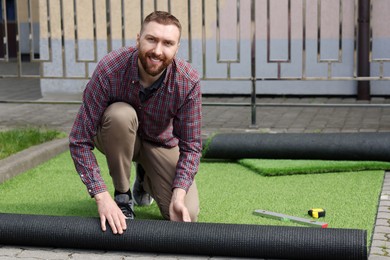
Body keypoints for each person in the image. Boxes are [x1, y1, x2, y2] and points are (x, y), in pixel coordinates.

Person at [69, 11, 202, 235]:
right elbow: (79, 140)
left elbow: (191, 146)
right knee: (120, 114)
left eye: (167, 43)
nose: (157, 51)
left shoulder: (187, 81)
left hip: (160, 143)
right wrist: (101, 196)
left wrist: (179, 194)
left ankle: (144, 177)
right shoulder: (110, 69)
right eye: (151, 39)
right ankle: (122, 194)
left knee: (187, 212)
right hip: (117, 134)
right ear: (138, 38)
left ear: (177, 48)